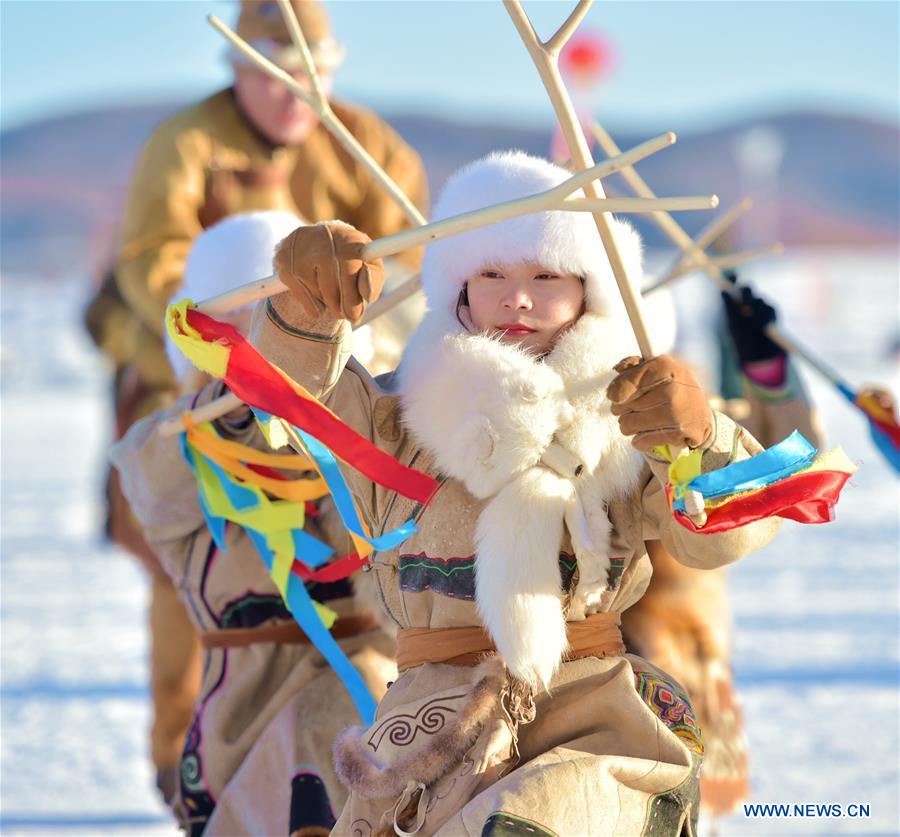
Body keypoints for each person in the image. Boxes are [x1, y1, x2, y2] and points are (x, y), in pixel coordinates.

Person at [242, 150, 784, 835]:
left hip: (593, 718)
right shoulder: (397, 416)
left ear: (588, 289)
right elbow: (293, 397)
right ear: (459, 289)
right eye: (492, 272)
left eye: (545, 274)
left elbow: (725, 536)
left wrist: (699, 440)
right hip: (425, 732)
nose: (517, 296)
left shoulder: (631, 416)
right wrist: (304, 305)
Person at [85, 0, 428, 795]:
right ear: (238, 68)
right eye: (275, 76)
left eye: (312, 76)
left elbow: (409, 254)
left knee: (352, 570)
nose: (294, 95)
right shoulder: (188, 143)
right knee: (198, 579)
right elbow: (151, 256)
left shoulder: (366, 147)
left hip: (327, 393)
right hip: (195, 387)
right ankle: (184, 760)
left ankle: (350, 748)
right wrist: (213, 335)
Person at [112, 210, 397, 836]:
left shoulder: (372, 437)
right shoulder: (167, 447)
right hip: (237, 725)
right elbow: (157, 491)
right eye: (252, 313)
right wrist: (266, 388)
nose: (266, 335)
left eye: (285, 311)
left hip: (371, 704)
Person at [621, 276, 825, 819]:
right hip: (581, 665)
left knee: (700, 811)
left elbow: (790, 464)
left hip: (691, 653)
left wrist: (765, 366)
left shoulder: (693, 406)